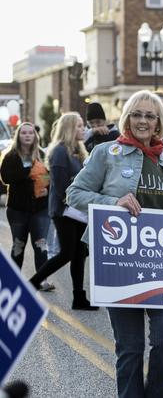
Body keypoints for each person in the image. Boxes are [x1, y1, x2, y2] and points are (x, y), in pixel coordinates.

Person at [66, 90, 163, 398]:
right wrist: (112, 202)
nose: (142, 121)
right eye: (137, 114)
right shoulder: (106, 152)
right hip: (120, 260)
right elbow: (74, 194)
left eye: (150, 116)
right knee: (130, 348)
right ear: (127, 117)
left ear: (159, 123)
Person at [29, 113, 97, 310]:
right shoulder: (60, 151)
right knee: (67, 252)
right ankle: (32, 283)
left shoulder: (79, 150)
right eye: (79, 126)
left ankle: (79, 298)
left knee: (80, 253)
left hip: (79, 210)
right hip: (64, 210)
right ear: (68, 128)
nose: (83, 129)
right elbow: (59, 187)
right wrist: (75, 204)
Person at [0, 122, 54, 290]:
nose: (28, 135)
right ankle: (12, 281)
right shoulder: (11, 156)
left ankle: (41, 280)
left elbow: (52, 177)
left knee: (41, 244)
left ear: (35, 136)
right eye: (24, 133)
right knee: (18, 245)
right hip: (18, 209)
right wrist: (28, 170)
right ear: (19, 135)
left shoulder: (43, 154)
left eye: (31, 133)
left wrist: (48, 189)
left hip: (40, 209)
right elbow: (6, 178)